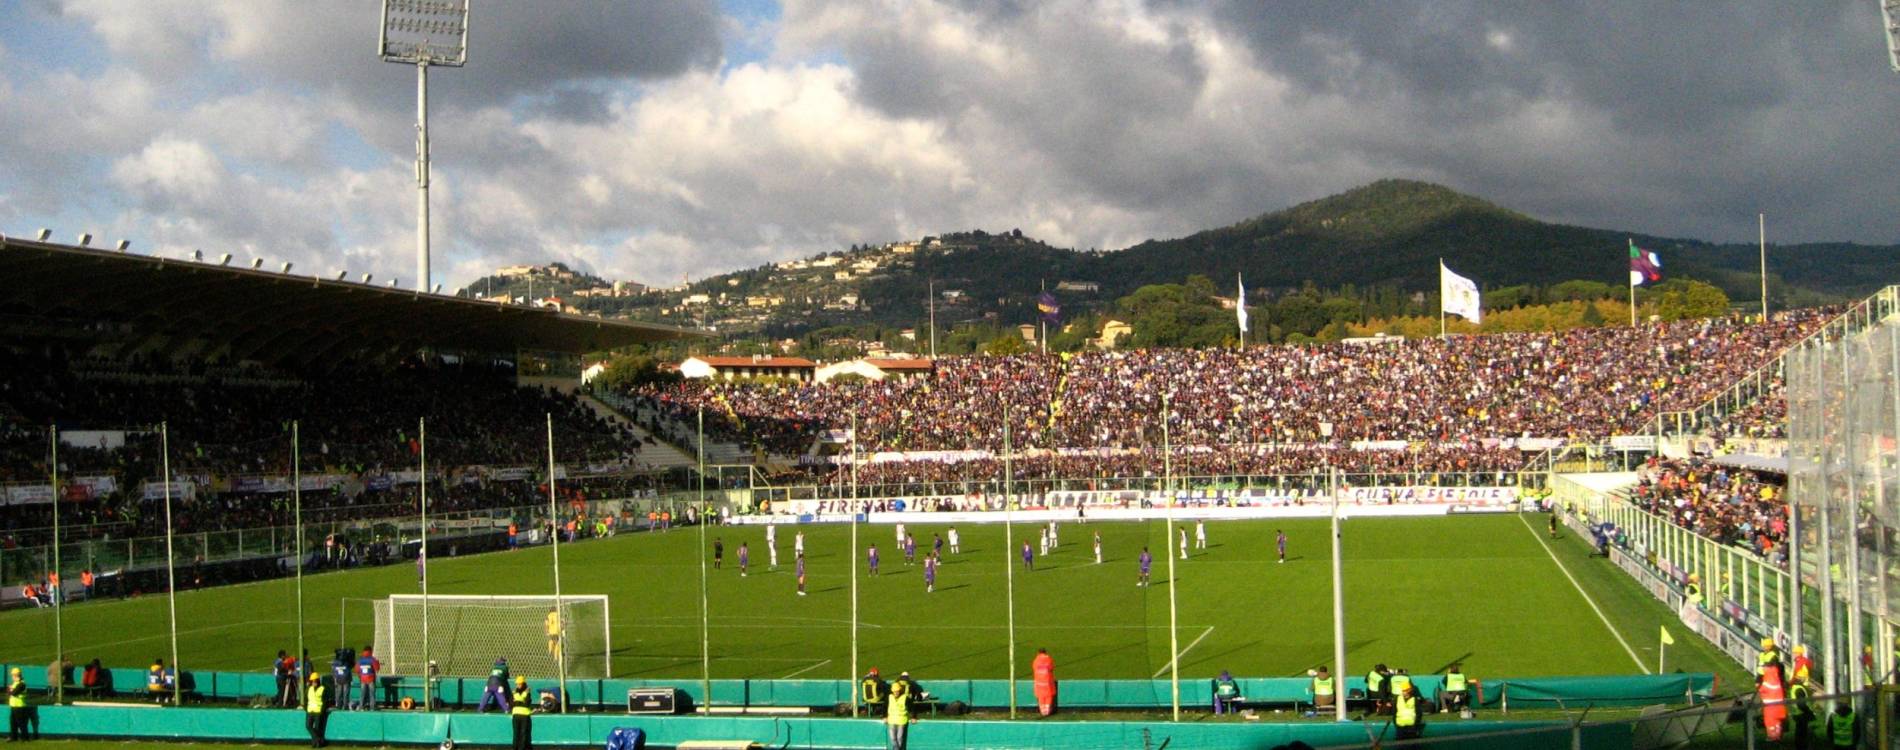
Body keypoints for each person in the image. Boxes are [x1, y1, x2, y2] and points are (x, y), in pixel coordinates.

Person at [1759, 661, 1788, 742]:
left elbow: (1764, 689)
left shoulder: (1768, 677)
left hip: (1770, 706)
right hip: (1779, 705)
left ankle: (1772, 736)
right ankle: (1778, 735)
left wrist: (1760, 689)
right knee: (1777, 722)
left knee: (1770, 722)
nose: (1763, 669)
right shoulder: (1775, 675)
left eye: (1763, 667)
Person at [1789, 667, 1814, 750]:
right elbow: (1801, 704)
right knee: (1802, 734)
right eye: (1805, 678)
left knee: (1799, 733)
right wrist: (1809, 712)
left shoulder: (1795, 687)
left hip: (1797, 713)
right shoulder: (1799, 689)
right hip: (1802, 714)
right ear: (1802, 678)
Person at [885, 677, 911, 750]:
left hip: (901, 721)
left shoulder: (905, 698)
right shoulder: (889, 697)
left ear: (900, 690)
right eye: (895, 691)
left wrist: (913, 716)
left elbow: (912, 707)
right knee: (893, 738)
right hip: (892, 720)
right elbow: (884, 707)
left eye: (897, 691)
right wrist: (884, 716)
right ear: (892, 691)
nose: (896, 692)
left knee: (899, 738)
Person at [304, 674, 329, 748]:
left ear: (318, 681)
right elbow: (306, 699)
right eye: (312, 681)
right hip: (310, 710)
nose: (314, 682)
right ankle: (319, 740)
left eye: (315, 681)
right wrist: (306, 708)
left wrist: (322, 710)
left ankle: (315, 743)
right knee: (308, 726)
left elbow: (325, 701)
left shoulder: (322, 689)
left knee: (317, 728)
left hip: (318, 711)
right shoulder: (309, 689)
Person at [510, 675, 534, 750]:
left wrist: (517, 701)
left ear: (523, 684)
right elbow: (511, 703)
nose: (518, 685)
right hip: (518, 715)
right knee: (516, 733)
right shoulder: (516, 692)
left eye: (520, 684)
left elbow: (527, 703)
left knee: (523, 734)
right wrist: (522, 700)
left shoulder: (521, 693)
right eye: (517, 684)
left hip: (524, 715)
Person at [1032, 648, 1057, 717]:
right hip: (1047, 680)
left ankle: (1042, 711)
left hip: (1039, 680)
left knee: (1041, 695)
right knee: (1048, 694)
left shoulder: (1036, 660)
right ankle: (1047, 710)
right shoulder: (1049, 659)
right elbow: (1051, 667)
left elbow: (1034, 668)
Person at [355, 646, 380, 710]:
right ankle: (372, 707)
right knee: (372, 693)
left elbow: (357, 670)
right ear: (370, 651)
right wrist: (377, 663)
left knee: (362, 693)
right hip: (370, 678)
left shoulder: (360, 660)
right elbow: (377, 668)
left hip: (363, 679)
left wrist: (360, 675)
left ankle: (361, 706)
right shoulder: (372, 659)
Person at [8, 667, 27, 741]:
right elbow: (10, 692)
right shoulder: (16, 683)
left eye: (13, 675)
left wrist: (10, 690)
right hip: (14, 705)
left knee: (21, 723)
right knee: (13, 723)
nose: (12, 677)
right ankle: (13, 737)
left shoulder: (21, 684)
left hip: (19, 706)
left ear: (17, 675)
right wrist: (11, 691)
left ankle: (24, 738)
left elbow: (13, 693)